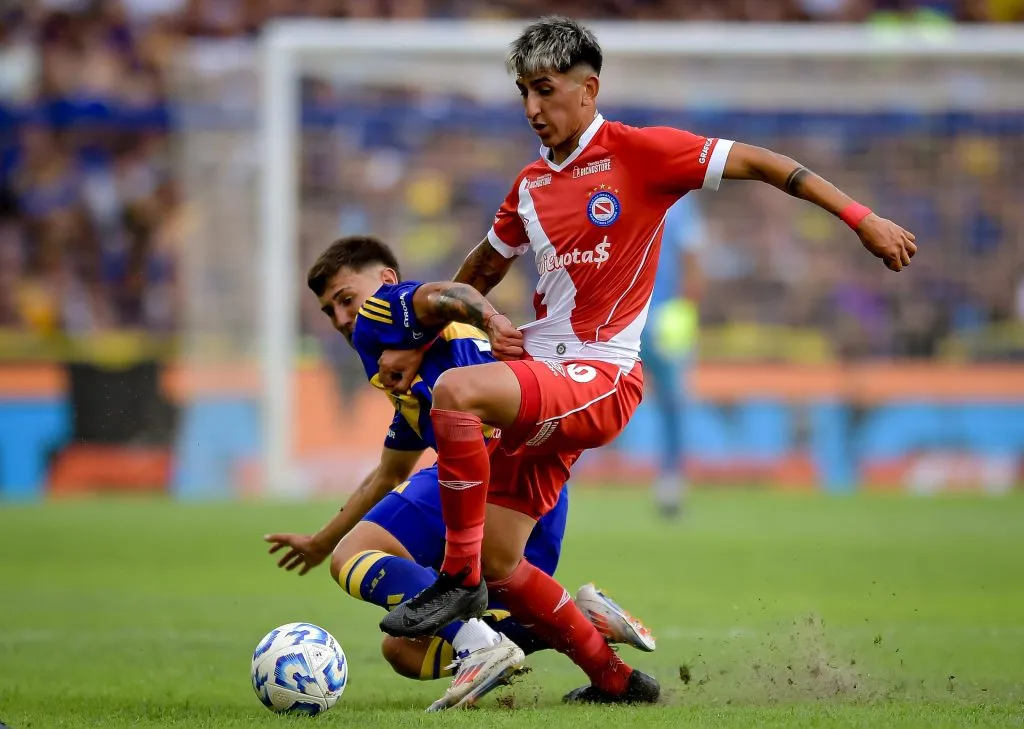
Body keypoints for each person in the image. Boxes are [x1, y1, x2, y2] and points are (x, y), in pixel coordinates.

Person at [377, 15, 916, 706]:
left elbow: (762, 163)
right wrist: (420, 337)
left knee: (456, 391)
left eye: (545, 90)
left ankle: (454, 581)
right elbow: (480, 267)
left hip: (600, 374)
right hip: (549, 374)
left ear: (588, 89)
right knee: (503, 560)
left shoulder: (642, 154)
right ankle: (617, 680)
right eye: (523, 93)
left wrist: (861, 218)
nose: (533, 108)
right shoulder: (530, 186)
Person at [263, 236, 654, 711]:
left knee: (354, 557)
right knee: (405, 651)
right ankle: (595, 646)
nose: (343, 318)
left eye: (346, 299)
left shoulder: (393, 307)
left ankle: (480, 647)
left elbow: (450, 293)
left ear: (385, 281)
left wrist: (491, 318)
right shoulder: (409, 376)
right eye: (330, 311)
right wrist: (319, 539)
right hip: (529, 488)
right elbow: (388, 474)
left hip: (480, 463)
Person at [644, 194, 706, 517]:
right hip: (625, 318)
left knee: (673, 402)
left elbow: (693, 261)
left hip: (665, 319)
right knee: (595, 394)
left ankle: (672, 480)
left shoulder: (681, 205)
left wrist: (685, 312)